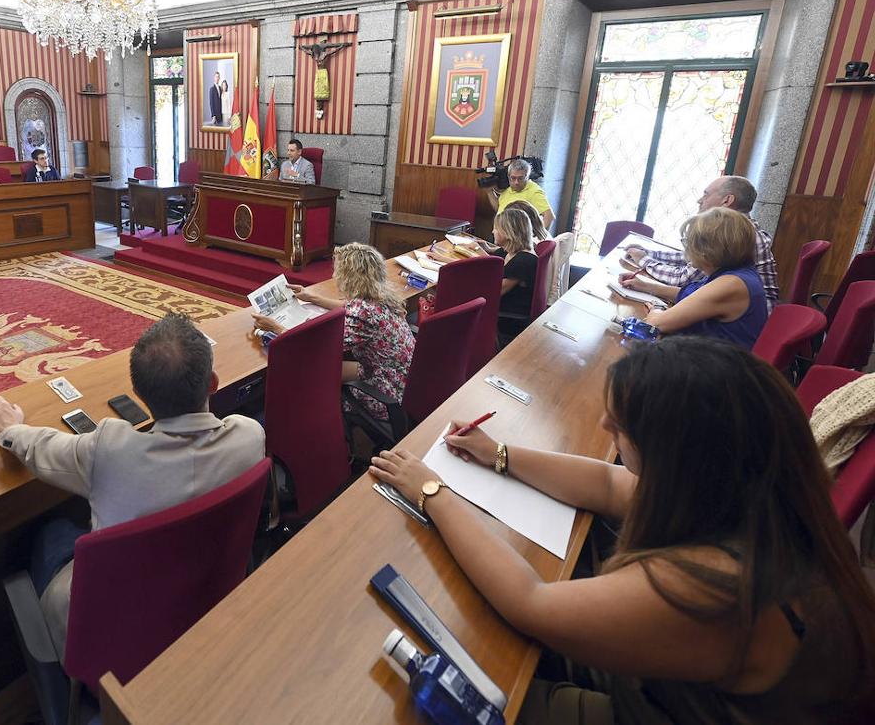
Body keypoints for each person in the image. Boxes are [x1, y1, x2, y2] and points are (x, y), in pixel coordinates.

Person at [370, 337, 875, 725]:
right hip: (671, 691)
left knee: (459, 693)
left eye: (620, 426)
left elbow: (530, 602)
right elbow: (610, 483)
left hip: (655, 709)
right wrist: (498, 454)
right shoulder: (755, 496)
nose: (606, 429)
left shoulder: (715, 583)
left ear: (678, 454)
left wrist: (432, 492)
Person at [0, 313, 265, 687]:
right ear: (212, 383)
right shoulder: (250, 436)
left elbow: (44, 450)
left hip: (113, 665)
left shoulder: (109, 449)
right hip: (211, 613)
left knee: (51, 534)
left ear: (140, 396)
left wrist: (11, 428)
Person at [252, 242, 414, 422]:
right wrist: (311, 296)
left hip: (385, 393)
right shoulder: (379, 297)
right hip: (403, 381)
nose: (334, 275)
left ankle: (293, 417)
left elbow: (315, 347)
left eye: (338, 271)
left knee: (307, 366)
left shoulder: (364, 314)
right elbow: (349, 306)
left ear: (349, 278)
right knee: (332, 366)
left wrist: (275, 327)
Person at [624, 175, 778, 314]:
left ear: (727, 200)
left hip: (748, 324)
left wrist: (644, 261)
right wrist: (650, 254)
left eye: (706, 194)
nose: (700, 200)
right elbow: (692, 259)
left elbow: (682, 279)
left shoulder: (735, 234)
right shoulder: (740, 228)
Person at [621, 207, 767, 349]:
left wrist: (657, 309)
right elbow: (689, 294)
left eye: (688, 242)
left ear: (706, 251)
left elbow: (657, 324)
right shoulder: (737, 272)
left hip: (716, 368)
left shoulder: (731, 284)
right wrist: (647, 286)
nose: (687, 249)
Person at [472, 204, 542, 344]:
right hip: (498, 310)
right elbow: (487, 265)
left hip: (507, 320)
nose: (493, 231)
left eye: (497, 228)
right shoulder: (509, 251)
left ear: (509, 232)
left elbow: (492, 293)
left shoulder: (524, 260)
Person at [489, 158, 553, 230]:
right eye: (513, 178)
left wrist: (537, 237)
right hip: (500, 235)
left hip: (519, 239)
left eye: (521, 178)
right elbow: (499, 208)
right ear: (508, 176)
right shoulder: (508, 188)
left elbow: (549, 216)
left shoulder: (534, 191)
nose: (516, 182)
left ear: (527, 177)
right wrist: (489, 192)